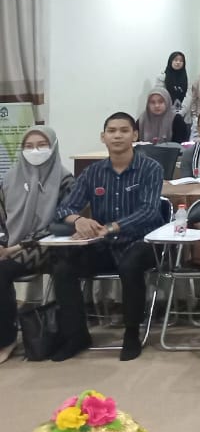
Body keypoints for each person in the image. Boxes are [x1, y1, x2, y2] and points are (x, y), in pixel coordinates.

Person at [50, 113, 162, 361]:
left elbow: (150, 211)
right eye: (111, 131)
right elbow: (64, 209)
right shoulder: (93, 173)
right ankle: (76, 335)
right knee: (63, 268)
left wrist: (112, 227)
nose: (117, 135)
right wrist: (79, 220)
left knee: (130, 265)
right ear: (103, 137)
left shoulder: (151, 168)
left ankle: (131, 333)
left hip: (141, 242)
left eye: (124, 130)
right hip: (104, 245)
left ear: (135, 135)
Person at [0, 126, 75, 365]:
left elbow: (59, 224)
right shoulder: (9, 180)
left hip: (48, 245)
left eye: (42, 145)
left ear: (53, 147)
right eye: (29, 146)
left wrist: (14, 249)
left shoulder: (65, 180)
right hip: (11, 244)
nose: (35, 151)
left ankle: (6, 339)